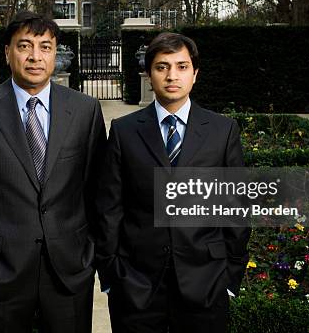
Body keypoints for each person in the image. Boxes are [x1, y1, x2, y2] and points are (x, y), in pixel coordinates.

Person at [0, 11, 106, 333]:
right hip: (0, 269)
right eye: (25, 46)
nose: (35, 56)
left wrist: (91, 251)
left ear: (55, 53)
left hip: (69, 268)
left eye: (45, 47)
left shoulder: (85, 110)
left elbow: (98, 188)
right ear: (7, 52)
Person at [95, 32, 250, 333]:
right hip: (136, 284)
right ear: (149, 75)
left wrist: (230, 278)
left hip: (206, 283)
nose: (172, 76)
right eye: (162, 67)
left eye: (181, 66)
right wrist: (112, 276)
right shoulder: (124, 131)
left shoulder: (222, 131)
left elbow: (236, 209)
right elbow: (109, 209)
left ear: (195, 74)